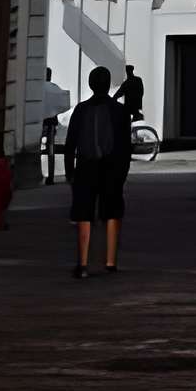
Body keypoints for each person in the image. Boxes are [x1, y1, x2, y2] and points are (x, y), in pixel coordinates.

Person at [64, 64, 133, 278]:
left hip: (85, 167)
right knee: (112, 211)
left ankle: (83, 263)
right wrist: (122, 173)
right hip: (112, 168)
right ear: (108, 84)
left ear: (90, 84)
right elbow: (125, 146)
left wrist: (70, 173)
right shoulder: (120, 111)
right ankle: (110, 261)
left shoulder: (81, 109)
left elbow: (70, 144)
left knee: (84, 213)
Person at [39, 69, 71, 184]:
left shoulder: (39, 88)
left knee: (37, 149)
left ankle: (39, 173)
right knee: (50, 150)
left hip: (40, 123)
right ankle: (51, 177)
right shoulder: (54, 87)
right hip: (51, 123)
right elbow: (64, 103)